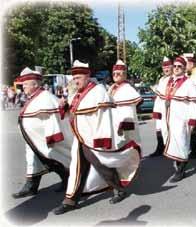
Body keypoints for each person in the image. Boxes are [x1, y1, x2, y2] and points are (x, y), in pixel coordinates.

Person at [53, 60, 141, 215]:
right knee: (77, 168)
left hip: (93, 138)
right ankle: (70, 200)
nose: (76, 81)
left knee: (102, 166)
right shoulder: (77, 94)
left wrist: (103, 139)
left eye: (78, 77)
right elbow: (73, 112)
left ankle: (119, 190)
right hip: (79, 138)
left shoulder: (98, 91)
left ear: (87, 76)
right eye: (74, 78)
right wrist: (63, 106)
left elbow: (106, 117)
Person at [13, 67, 72, 199]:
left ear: (34, 84)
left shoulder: (45, 98)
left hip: (44, 141)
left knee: (55, 159)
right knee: (33, 161)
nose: (23, 87)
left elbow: (52, 119)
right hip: (33, 140)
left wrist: (53, 138)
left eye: (25, 85)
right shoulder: (33, 97)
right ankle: (31, 187)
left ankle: (69, 179)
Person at [152, 56, 196, 182]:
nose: (176, 68)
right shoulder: (167, 81)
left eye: (180, 66)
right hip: (167, 119)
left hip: (181, 119)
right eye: (175, 66)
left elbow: (193, 103)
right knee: (171, 141)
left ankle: (181, 170)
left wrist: (193, 120)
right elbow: (160, 98)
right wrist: (157, 112)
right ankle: (179, 165)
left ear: (184, 68)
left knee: (181, 142)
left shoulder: (189, 83)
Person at [108, 59, 142, 143]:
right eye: (114, 74)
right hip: (113, 123)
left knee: (128, 146)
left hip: (124, 126)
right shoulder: (111, 87)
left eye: (118, 74)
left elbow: (129, 111)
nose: (115, 75)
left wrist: (122, 126)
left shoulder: (128, 89)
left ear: (124, 75)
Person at [149, 57, 173, 157]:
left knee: (168, 129)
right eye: (164, 67)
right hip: (160, 107)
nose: (166, 69)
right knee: (158, 128)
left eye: (168, 67)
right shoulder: (162, 79)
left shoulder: (174, 78)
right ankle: (160, 148)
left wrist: (158, 92)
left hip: (169, 108)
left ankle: (170, 149)